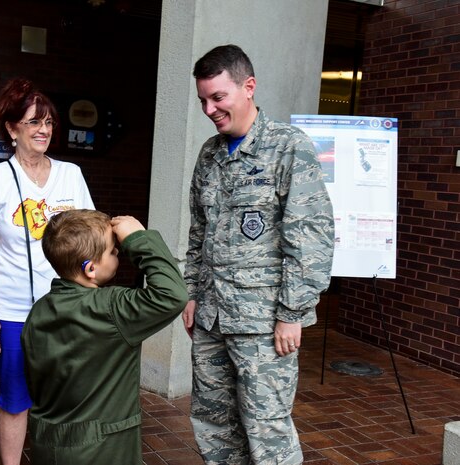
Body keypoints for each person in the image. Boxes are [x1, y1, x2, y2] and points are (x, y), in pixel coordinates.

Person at [182, 44, 335, 465]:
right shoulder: (210, 155)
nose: (210, 109)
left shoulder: (289, 147)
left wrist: (292, 313)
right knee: (214, 422)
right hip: (212, 316)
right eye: (203, 100)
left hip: (264, 322)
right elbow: (199, 232)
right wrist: (192, 293)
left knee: (266, 428)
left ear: (248, 87)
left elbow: (311, 239)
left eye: (218, 97)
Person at [0, 77, 94, 465]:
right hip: (12, 313)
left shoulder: (70, 174)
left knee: (63, 397)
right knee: (17, 399)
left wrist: (87, 301)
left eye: (49, 123)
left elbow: (90, 239)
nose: (43, 131)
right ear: (11, 128)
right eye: (33, 122)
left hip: (63, 311)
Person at [21, 210, 189, 464]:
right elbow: (172, 295)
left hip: (49, 445)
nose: (118, 252)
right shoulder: (110, 308)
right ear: (90, 268)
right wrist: (138, 239)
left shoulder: (40, 310)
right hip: (101, 451)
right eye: (112, 251)